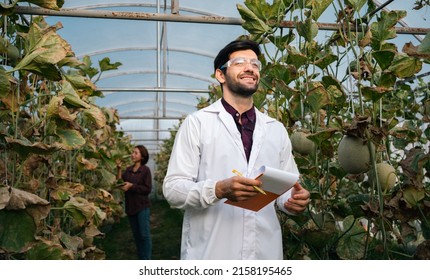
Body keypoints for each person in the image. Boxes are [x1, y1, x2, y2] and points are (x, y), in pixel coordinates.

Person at [162, 39, 310, 260]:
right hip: (212, 252)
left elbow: (284, 190)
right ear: (220, 75)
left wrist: (292, 200)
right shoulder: (197, 123)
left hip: (264, 254)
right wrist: (218, 190)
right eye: (240, 62)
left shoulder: (275, 129)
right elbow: (173, 189)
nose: (250, 67)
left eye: (255, 64)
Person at [117, 145, 152, 260]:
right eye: (132, 152)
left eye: (136, 153)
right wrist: (118, 168)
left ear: (142, 156)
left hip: (142, 207)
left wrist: (132, 186)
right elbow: (119, 181)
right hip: (131, 206)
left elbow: (147, 189)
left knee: (144, 235)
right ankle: (141, 259)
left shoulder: (145, 170)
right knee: (137, 236)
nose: (132, 154)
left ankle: (146, 260)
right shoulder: (128, 170)